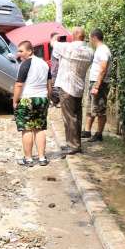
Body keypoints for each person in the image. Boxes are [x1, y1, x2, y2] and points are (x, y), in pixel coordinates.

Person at [51, 27, 94, 155]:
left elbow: (53, 43)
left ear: (74, 36)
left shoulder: (68, 48)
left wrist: (55, 36)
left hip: (67, 87)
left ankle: (72, 145)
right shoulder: (90, 52)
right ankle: (76, 144)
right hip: (79, 88)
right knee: (77, 116)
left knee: (68, 117)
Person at [13, 40, 53, 166]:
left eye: (21, 51)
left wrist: (15, 101)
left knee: (27, 129)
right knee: (39, 128)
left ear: (30, 51)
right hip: (42, 99)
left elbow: (19, 84)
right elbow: (49, 84)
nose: (19, 53)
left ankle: (29, 159)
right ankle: (42, 158)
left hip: (27, 99)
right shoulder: (45, 64)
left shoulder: (25, 64)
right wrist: (48, 98)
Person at [83, 29, 112, 142]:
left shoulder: (103, 50)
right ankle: (87, 131)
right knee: (91, 107)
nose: (90, 40)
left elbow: (103, 68)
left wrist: (97, 85)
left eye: (90, 38)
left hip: (99, 83)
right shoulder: (99, 49)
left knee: (100, 109)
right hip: (94, 82)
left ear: (94, 37)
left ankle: (99, 134)